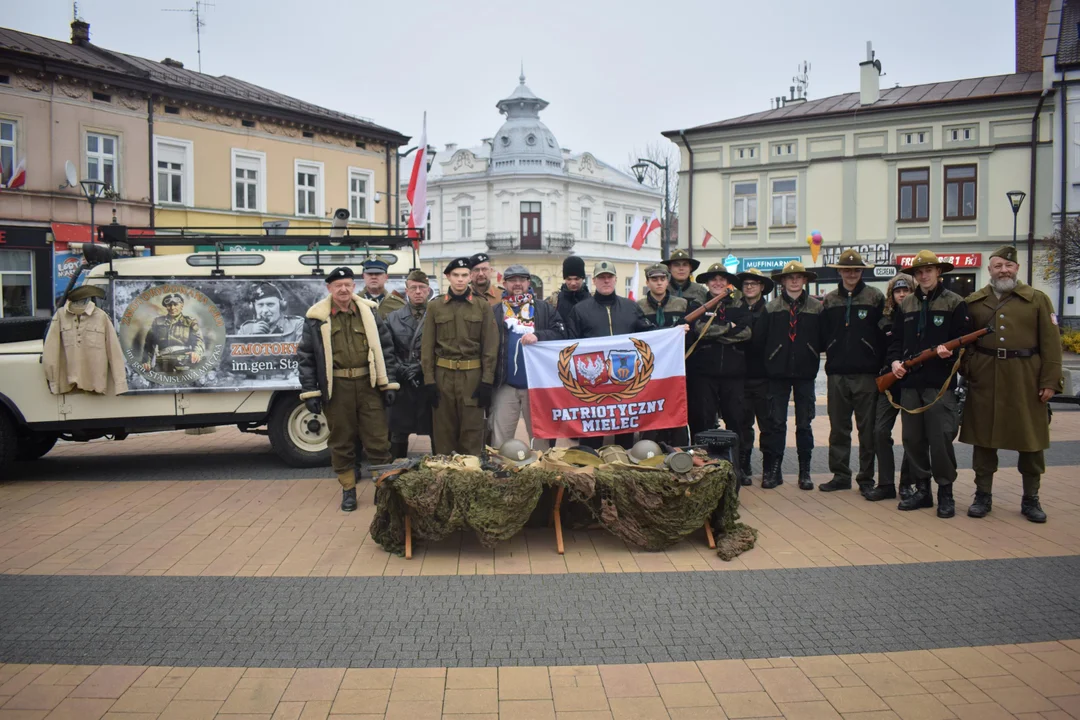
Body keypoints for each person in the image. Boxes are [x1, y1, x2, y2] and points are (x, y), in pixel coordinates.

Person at [960, 245, 1063, 523]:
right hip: (986, 379)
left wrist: (1050, 381)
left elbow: (1052, 345)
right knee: (983, 440)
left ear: (1016, 268)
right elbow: (964, 342)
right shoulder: (974, 302)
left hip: (1025, 380)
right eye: (997, 266)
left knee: (1030, 442)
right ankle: (982, 495)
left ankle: (1031, 498)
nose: (1003, 270)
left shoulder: (1037, 300)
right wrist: (970, 368)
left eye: (1008, 265)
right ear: (989, 270)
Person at [296, 266, 400, 512]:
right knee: (341, 441)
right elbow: (306, 357)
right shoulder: (316, 318)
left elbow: (386, 349)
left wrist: (389, 382)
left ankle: (382, 490)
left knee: (378, 440)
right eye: (337, 285)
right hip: (337, 388)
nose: (343, 289)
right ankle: (348, 490)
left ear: (354, 287)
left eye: (347, 284)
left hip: (369, 386)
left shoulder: (368, 313)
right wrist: (311, 391)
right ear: (329, 289)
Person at [886, 250, 972, 518]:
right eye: (919, 272)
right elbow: (896, 340)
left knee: (940, 439)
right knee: (912, 439)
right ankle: (922, 490)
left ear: (939, 272)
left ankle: (945, 491)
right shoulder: (907, 304)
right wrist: (895, 362)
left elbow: (964, 340)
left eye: (929, 270)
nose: (924, 275)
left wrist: (951, 353)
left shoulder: (954, 302)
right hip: (910, 382)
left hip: (940, 383)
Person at [567, 261, 657, 448]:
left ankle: (623, 472)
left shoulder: (630, 307)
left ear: (615, 279)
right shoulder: (580, 310)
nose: (606, 281)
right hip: (593, 384)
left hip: (625, 381)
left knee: (625, 434)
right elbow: (569, 344)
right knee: (591, 437)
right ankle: (590, 472)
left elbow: (650, 336)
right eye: (601, 277)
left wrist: (675, 331)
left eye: (609, 277)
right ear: (594, 281)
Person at [819, 250, 885, 495]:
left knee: (867, 429)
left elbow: (883, 333)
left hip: (866, 374)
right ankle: (840, 475)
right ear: (839, 271)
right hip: (836, 373)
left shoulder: (875, 297)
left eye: (856, 270)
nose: (851, 274)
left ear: (862, 272)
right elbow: (823, 333)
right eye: (847, 270)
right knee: (838, 428)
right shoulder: (830, 300)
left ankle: (866, 477)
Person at [422, 257, 500, 455]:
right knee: (443, 432)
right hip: (443, 376)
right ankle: (445, 480)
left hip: (472, 376)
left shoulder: (482, 306)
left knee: (472, 431)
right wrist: (429, 382)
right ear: (448, 277)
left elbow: (490, 346)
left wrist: (487, 382)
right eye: (455, 275)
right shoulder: (435, 306)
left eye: (464, 275)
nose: (460, 280)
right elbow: (427, 347)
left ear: (470, 277)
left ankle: (470, 478)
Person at [756, 261, 824, 490]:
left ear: (805, 280)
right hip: (777, 373)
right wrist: (769, 361)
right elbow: (760, 340)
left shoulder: (817, 307)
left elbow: (823, 339)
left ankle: (805, 472)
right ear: (783, 282)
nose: (794, 281)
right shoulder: (771, 307)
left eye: (799, 277)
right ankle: (774, 471)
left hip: (805, 372)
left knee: (805, 424)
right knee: (776, 424)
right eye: (790, 277)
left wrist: (812, 353)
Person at [491, 264, 565, 448]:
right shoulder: (495, 311)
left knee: (540, 436)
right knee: (500, 437)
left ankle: (541, 472)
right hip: (505, 383)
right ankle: (501, 472)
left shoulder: (543, 309)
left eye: (521, 280)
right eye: (512, 280)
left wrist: (539, 336)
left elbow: (561, 333)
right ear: (504, 283)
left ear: (528, 282)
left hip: (536, 385)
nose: (517, 284)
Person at [686, 263, 751, 460]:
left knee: (737, 421)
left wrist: (714, 331)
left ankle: (740, 464)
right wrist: (728, 327)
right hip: (704, 374)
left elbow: (746, 332)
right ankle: (702, 461)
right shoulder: (697, 304)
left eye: (722, 279)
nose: (717, 282)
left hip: (734, 374)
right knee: (702, 421)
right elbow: (698, 328)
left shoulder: (739, 304)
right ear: (707, 283)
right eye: (713, 279)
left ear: (729, 283)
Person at [865, 273, 915, 502]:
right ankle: (886, 483)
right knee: (879, 432)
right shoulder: (883, 320)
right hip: (888, 382)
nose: (902, 294)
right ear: (891, 294)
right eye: (898, 291)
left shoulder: (918, 316)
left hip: (913, 383)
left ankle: (907, 483)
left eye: (906, 290)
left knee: (912, 436)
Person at [637, 263, 691, 447]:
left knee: (677, 411)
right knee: (651, 415)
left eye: (662, 279)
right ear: (647, 282)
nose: (659, 283)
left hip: (676, 369)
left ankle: (680, 452)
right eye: (654, 279)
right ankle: (648, 452)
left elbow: (693, 335)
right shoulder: (639, 307)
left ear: (668, 281)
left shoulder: (682, 304)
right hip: (650, 371)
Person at [385, 269, 434, 460]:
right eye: (413, 287)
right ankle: (396, 475)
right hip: (403, 384)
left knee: (436, 431)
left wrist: (422, 367)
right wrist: (400, 368)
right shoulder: (393, 318)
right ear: (406, 290)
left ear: (428, 290)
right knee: (398, 433)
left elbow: (443, 347)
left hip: (429, 382)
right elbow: (386, 350)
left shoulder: (437, 315)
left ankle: (438, 475)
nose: (418, 291)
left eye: (422, 287)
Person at [736, 268, 774, 485]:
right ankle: (743, 466)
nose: (749, 287)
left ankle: (769, 469)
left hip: (763, 377)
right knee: (742, 425)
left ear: (762, 287)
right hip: (739, 376)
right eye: (746, 283)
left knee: (767, 426)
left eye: (754, 283)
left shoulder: (769, 311)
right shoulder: (735, 309)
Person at [141, 293, 204, 373]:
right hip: (162, 363)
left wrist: (196, 352)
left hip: (184, 362)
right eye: (169, 305)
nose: (172, 308)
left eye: (175, 304)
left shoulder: (190, 322)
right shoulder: (158, 322)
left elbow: (198, 340)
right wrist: (147, 362)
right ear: (166, 307)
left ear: (181, 305)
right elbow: (149, 344)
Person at [237, 282, 304, 341]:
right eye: (260, 305)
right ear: (253, 308)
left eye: (270, 304)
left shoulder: (297, 325)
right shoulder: (245, 330)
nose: (265, 310)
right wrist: (252, 337)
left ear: (281, 306)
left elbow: (302, 353)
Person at [547, 256, 590, 325]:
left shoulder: (592, 300)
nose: (573, 283)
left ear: (583, 278)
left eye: (576, 279)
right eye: (569, 279)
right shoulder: (554, 301)